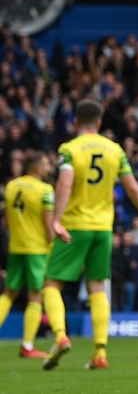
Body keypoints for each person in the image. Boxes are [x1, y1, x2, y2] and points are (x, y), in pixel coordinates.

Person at [42, 99, 138, 371]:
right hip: (103, 229)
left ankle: (60, 336)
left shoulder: (69, 149)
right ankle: (100, 352)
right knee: (97, 288)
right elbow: (131, 187)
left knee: (51, 284)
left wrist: (57, 221)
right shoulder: (115, 150)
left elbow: (66, 182)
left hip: (75, 225)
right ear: (99, 121)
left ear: (75, 121)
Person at [0, 151, 54, 358]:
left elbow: (6, 220)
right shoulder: (45, 190)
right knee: (35, 296)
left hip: (16, 246)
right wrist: (55, 248)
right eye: (47, 164)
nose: (49, 168)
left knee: (8, 293)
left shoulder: (11, 186)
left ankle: (28, 346)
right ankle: (28, 346)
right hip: (37, 249)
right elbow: (49, 225)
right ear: (38, 168)